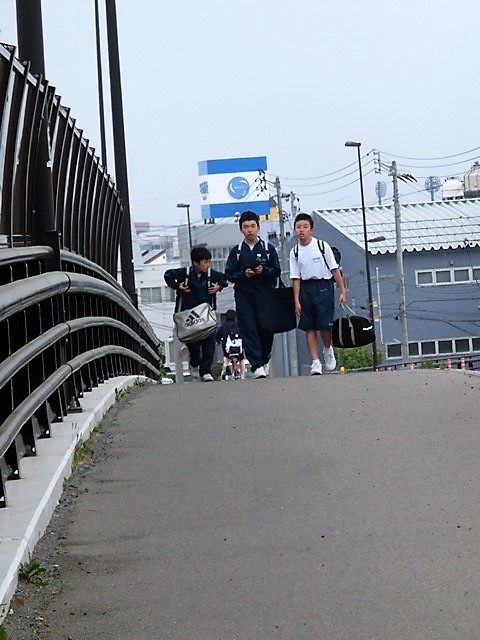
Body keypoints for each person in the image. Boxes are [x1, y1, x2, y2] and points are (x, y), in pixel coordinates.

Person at [225, 210, 281, 379]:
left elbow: (276, 271)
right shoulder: (237, 251)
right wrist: (244, 274)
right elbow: (230, 274)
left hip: (266, 295)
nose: (250, 230)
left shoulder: (268, 248)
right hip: (244, 296)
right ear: (241, 229)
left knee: (266, 329)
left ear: (258, 227)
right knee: (249, 329)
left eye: (252, 226)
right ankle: (256, 365)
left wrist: (263, 270)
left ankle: (264, 358)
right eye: (246, 227)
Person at [289, 212, 346, 375]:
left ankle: (327, 349)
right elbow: (295, 278)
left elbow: (335, 270)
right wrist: (296, 301)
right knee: (309, 327)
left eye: (305, 227)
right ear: (294, 230)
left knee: (325, 326)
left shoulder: (322, 246)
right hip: (306, 288)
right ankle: (315, 362)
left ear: (311, 230)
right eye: (298, 227)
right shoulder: (294, 252)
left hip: (323, 286)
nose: (302, 230)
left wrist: (342, 290)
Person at [164, 245, 228, 382]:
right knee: (193, 346)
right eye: (205, 262)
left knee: (209, 345)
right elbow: (168, 274)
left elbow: (224, 278)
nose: (208, 265)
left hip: (206, 316)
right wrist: (178, 286)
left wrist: (219, 287)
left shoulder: (211, 275)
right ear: (195, 263)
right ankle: (194, 364)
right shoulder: (186, 273)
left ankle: (205, 371)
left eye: (209, 262)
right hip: (190, 317)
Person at [216, 309, 246, 379]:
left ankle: (226, 366)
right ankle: (242, 375)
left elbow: (218, 336)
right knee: (241, 359)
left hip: (228, 348)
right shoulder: (238, 325)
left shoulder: (223, 326)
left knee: (226, 356)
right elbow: (243, 336)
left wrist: (218, 342)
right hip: (239, 347)